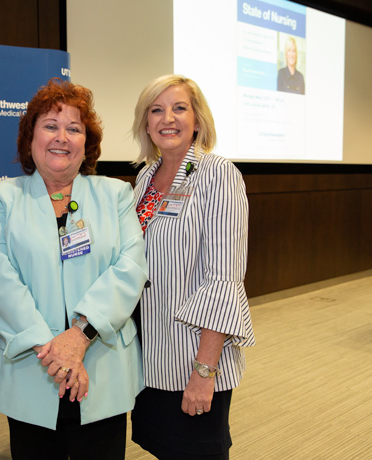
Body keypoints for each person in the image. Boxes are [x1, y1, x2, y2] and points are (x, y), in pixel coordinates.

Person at [0, 78, 148, 460]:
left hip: (101, 366)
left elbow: (130, 267)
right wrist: (55, 354)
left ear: (86, 143)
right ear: (30, 139)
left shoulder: (115, 194)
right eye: (50, 126)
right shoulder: (2, 199)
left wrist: (80, 336)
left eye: (74, 128)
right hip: (33, 368)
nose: (62, 137)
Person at [130, 74, 256, 459]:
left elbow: (223, 280)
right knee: (161, 447)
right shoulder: (144, 179)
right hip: (149, 356)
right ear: (146, 124)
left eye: (179, 108)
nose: (168, 118)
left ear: (197, 120)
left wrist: (204, 372)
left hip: (193, 359)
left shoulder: (218, 175)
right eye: (156, 110)